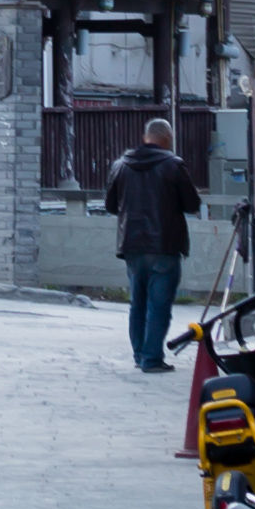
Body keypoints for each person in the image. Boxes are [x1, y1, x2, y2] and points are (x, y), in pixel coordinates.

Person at [105, 117, 202, 376]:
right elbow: (192, 204)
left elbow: (111, 206)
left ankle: (140, 355)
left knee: (138, 303)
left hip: (132, 245)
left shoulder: (121, 165)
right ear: (167, 139)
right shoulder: (173, 165)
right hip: (165, 245)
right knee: (159, 305)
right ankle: (151, 358)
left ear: (145, 136)